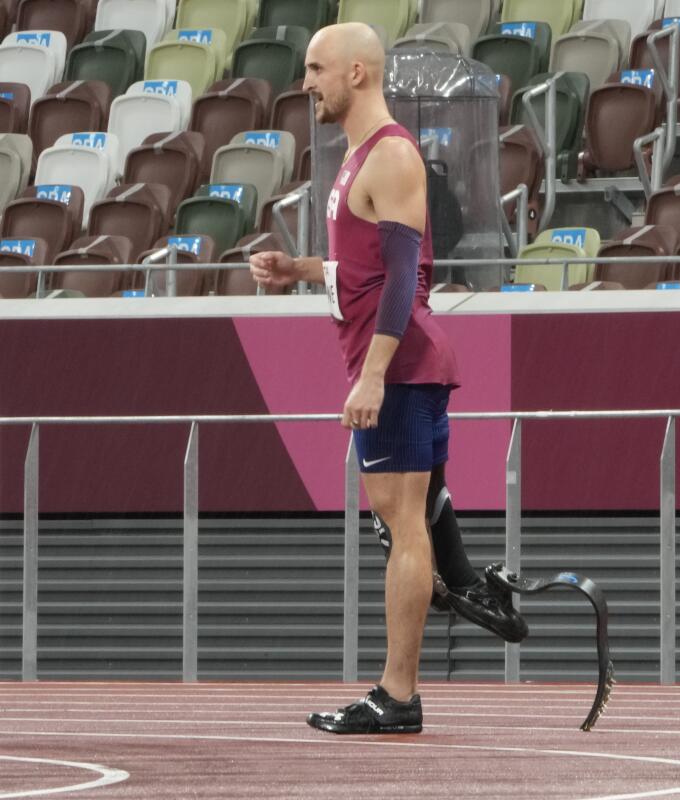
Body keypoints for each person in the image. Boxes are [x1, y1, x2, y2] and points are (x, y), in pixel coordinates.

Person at [249, 22, 524, 735]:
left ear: (357, 74)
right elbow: (366, 267)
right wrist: (300, 270)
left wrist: (372, 376)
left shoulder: (392, 154)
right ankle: (466, 586)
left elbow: (405, 279)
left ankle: (397, 696)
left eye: (316, 69)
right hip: (401, 365)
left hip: (399, 367)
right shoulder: (359, 156)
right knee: (412, 518)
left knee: (400, 526)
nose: (305, 83)